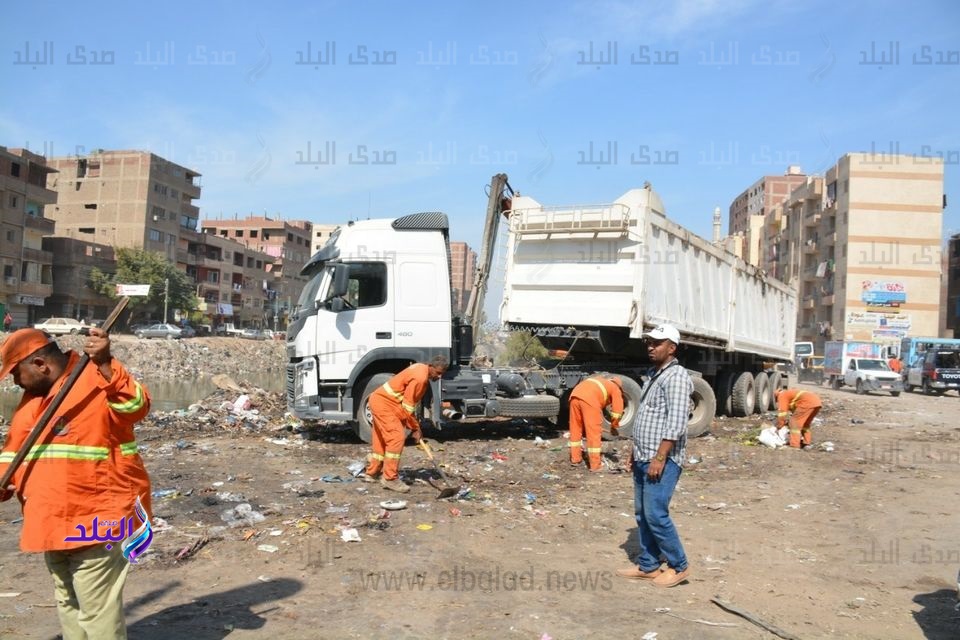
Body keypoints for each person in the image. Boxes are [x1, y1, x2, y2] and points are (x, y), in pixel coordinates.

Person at [0, 328, 152, 639]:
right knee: (68, 602)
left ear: (41, 364)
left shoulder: (98, 377)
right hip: (51, 521)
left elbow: (136, 407)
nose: (15, 382)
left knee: (97, 612)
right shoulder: (32, 399)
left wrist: (106, 362)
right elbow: (14, 450)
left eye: (16, 373)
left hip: (97, 521)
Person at [617, 324, 692, 588]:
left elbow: (676, 423)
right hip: (643, 455)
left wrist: (660, 458)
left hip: (661, 459)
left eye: (657, 343)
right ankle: (648, 565)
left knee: (656, 514)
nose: (650, 347)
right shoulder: (653, 375)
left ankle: (679, 565)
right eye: (649, 342)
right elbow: (646, 418)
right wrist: (633, 452)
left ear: (672, 348)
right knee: (643, 514)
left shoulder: (677, 377)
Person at [363, 355, 449, 493]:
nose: (439, 377)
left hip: (380, 401)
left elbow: (406, 406)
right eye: (438, 372)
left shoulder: (420, 369)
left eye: (442, 374)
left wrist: (414, 427)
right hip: (385, 405)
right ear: (430, 366)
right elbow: (407, 408)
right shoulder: (420, 378)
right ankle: (390, 478)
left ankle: (372, 473)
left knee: (381, 440)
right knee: (396, 438)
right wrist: (415, 428)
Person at [567, 374, 624, 471]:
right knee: (593, 432)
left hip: (574, 396)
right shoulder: (615, 388)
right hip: (590, 399)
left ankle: (575, 459)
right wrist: (614, 426)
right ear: (619, 386)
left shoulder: (601, 381)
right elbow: (617, 412)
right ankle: (595, 465)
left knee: (575, 428)